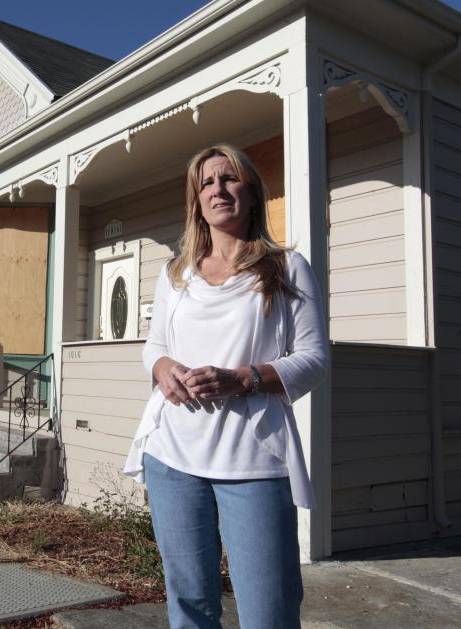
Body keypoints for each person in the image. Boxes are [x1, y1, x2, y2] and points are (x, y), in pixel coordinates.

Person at [123, 144, 329, 629]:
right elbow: (153, 346)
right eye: (207, 182)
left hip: (253, 460)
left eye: (229, 178)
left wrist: (243, 378)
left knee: (268, 611)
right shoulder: (175, 274)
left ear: (252, 194)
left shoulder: (285, 268)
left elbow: (315, 358)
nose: (218, 189)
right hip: (173, 457)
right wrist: (163, 368)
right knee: (191, 605)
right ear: (196, 201)